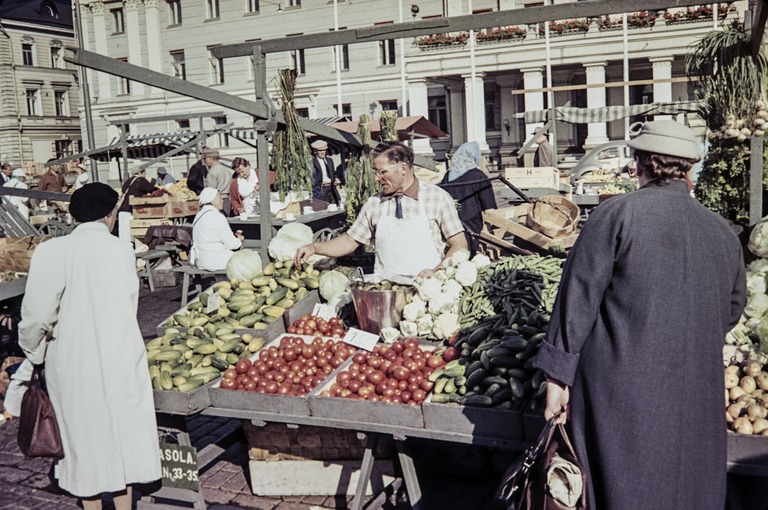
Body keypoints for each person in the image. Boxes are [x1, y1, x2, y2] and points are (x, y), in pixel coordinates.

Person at [532, 120, 746, 510]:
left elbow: (576, 300)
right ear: (690, 170)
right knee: (691, 484)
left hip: (620, 388)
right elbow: (731, 310)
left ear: (639, 164)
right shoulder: (722, 232)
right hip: (697, 388)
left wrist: (556, 378)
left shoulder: (616, 215)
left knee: (622, 483)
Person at [18, 182, 162, 510]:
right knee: (123, 441)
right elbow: (128, 304)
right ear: (110, 215)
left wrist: (34, 352)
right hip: (122, 355)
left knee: (85, 444)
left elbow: (36, 314)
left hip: (72, 361)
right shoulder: (121, 250)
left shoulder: (52, 251)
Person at [295, 141, 467, 280]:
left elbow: (459, 244)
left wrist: (436, 271)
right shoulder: (374, 204)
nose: (377, 178)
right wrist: (315, 247)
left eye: (382, 172)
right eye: (375, 172)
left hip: (429, 291)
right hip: (386, 293)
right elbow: (349, 241)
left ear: (403, 169)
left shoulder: (437, 198)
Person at [439, 141, 497, 255]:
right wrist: (486, 234)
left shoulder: (447, 176)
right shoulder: (479, 176)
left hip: (450, 228)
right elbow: (490, 210)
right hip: (472, 228)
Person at [190, 187, 244, 271]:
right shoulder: (216, 216)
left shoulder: (199, 215)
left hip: (200, 259)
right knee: (248, 259)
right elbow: (231, 244)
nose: (222, 201)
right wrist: (239, 240)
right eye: (219, 198)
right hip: (215, 259)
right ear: (212, 200)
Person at [200, 149, 232, 215]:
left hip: (217, 201)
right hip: (227, 200)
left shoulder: (212, 172)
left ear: (210, 158)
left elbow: (211, 191)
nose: (204, 161)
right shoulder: (226, 170)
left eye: (205, 158)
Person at [310, 139, 340, 205]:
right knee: (322, 207)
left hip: (331, 188)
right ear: (315, 151)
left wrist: (336, 178)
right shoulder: (312, 162)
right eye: (320, 150)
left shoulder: (329, 160)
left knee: (335, 206)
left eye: (324, 150)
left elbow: (333, 173)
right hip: (321, 189)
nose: (323, 152)